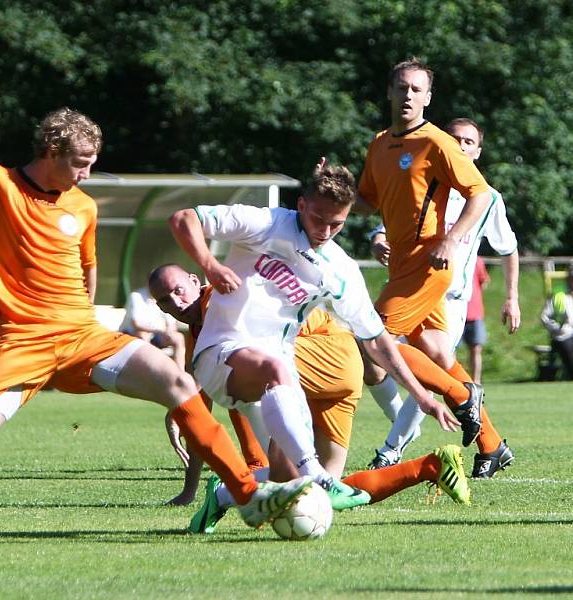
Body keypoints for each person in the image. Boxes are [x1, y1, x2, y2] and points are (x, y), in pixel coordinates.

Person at [0, 64, 311, 546]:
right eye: (81, 162)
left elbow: (86, 268)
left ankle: (247, 495)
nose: (87, 173)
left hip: (81, 339)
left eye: (92, 162)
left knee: (176, 380)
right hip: (18, 345)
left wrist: (85, 317)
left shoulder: (82, 206)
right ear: (51, 151)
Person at [167, 161, 462, 522]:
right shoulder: (266, 223)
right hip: (222, 353)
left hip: (279, 372)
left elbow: (377, 340)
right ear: (302, 205)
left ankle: (225, 494)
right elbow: (183, 218)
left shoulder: (341, 271)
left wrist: (422, 396)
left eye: (336, 224)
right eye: (318, 218)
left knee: (286, 482)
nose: (324, 230)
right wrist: (209, 264)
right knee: (281, 382)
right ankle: (316, 472)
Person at [149, 264, 470, 533]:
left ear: (195, 280)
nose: (175, 302)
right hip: (302, 374)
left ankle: (226, 491)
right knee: (311, 481)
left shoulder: (218, 300)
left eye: (178, 290)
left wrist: (441, 393)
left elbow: (382, 347)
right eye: (165, 300)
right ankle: (430, 465)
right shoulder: (200, 331)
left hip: (322, 361)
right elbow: (199, 413)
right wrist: (188, 484)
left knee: (316, 482)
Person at [352, 58, 511, 476]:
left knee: (373, 339)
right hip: (402, 264)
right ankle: (492, 446)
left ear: (427, 97)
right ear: (389, 92)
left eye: (416, 89)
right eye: (401, 87)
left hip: (427, 264)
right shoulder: (380, 142)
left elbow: (479, 193)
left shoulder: (437, 142)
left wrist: (451, 238)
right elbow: (367, 199)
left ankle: (461, 396)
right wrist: (331, 189)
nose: (408, 95)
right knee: (438, 354)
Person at [119, 286, 185, 370]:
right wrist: (161, 331)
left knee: (178, 338)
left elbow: (172, 324)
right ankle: (148, 372)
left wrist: (169, 331)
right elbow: (136, 324)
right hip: (131, 335)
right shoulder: (136, 296)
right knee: (143, 336)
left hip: (158, 336)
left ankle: (179, 374)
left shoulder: (167, 297)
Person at [463, 257, 490, 384]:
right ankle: (454, 381)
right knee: (450, 350)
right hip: (454, 311)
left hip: (474, 310)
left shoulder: (477, 260)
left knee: (476, 348)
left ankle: (475, 381)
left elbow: (484, 281)